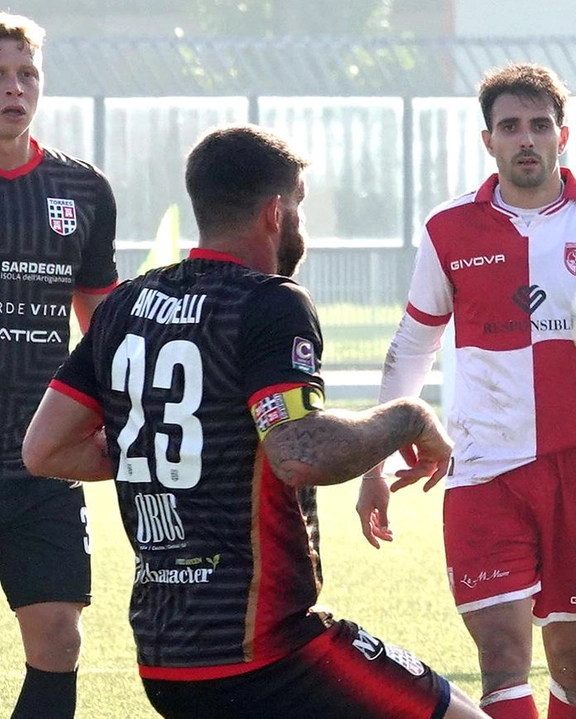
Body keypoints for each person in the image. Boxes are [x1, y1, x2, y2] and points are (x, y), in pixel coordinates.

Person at [20, 125, 487, 719]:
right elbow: (300, 454)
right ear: (275, 211)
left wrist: (189, 446)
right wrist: (411, 416)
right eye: (300, 206)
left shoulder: (123, 306)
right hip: (268, 655)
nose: (301, 225)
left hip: (165, 660)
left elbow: (46, 450)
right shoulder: (271, 301)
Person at [357, 64, 576, 719]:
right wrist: (376, 460)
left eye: (539, 126)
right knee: (502, 660)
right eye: (510, 126)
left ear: (561, 135)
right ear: (487, 139)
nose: (526, 139)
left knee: (574, 668)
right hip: (484, 467)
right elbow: (412, 346)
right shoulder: (448, 229)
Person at [0, 14, 118, 719]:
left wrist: (119, 417)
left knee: (58, 638)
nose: (14, 89)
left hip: (38, 460)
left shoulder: (81, 189)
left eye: (26, 75)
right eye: (0, 76)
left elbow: (101, 325)